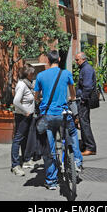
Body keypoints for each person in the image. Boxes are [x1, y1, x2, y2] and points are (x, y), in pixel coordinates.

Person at [34, 50, 83, 190]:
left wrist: (40, 100)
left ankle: (51, 181)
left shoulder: (41, 75)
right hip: (63, 114)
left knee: (49, 147)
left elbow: (36, 97)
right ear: (60, 59)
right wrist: (71, 98)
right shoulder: (66, 74)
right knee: (73, 134)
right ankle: (77, 161)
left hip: (48, 115)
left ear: (48, 61)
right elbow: (73, 94)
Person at [11, 64, 35, 176]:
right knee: (18, 139)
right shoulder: (21, 85)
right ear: (27, 74)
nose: (33, 75)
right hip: (22, 116)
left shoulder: (28, 84)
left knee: (25, 138)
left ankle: (26, 160)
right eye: (32, 73)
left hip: (28, 116)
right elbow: (16, 101)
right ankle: (15, 165)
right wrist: (26, 111)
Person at [75, 52, 97, 156]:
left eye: (77, 60)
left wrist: (83, 99)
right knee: (83, 123)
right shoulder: (84, 68)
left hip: (84, 100)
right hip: (82, 100)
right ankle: (85, 144)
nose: (76, 62)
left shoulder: (86, 69)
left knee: (84, 123)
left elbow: (88, 86)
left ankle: (90, 147)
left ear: (82, 59)